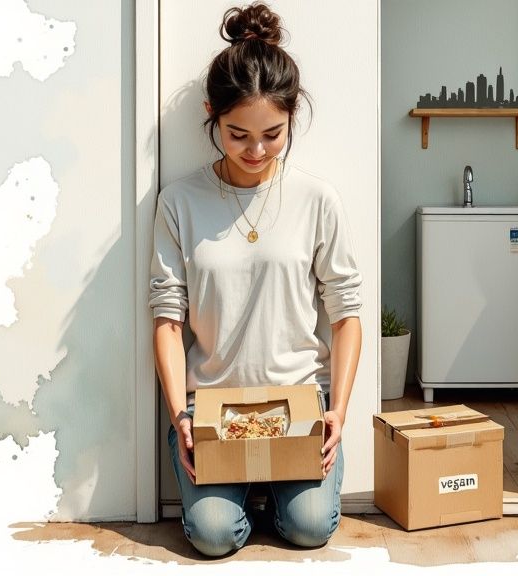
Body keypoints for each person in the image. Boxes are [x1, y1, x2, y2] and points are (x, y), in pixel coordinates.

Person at [149, 2, 363, 558]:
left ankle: (277, 494)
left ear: (292, 117)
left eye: (273, 134)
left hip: (298, 401)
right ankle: (246, 494)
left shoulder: (317, 200)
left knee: (310, 528)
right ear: (211, 116)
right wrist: (181, 416)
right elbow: (167, 321)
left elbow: (346, 313)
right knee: (214, 536)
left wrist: (336, 408)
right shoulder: (179, 203)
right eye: (237, 134)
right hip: (212, 408)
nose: (256, 151)